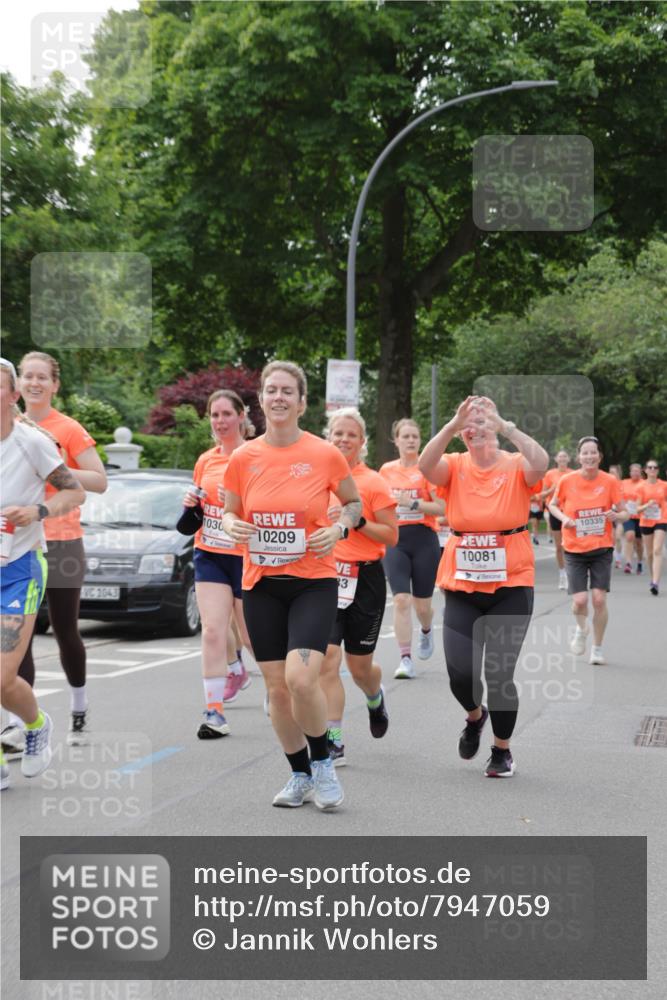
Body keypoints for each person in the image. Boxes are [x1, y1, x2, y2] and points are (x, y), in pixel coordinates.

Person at [221, 362, 362, 811]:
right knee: (277, 688)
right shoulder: (243, 458)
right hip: (261, 584)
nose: (278, 397)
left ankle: (322, 763)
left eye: (287, 391)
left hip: (312, 583)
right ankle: (299, 773)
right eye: (270, 390)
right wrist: (231, 525)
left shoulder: (324, 454)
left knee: (303, 679)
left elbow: (354, 504)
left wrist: (339, 527)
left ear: (302, 402)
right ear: (260, 401)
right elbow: (228, 511)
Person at [420, 396, 548, 778]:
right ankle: (475, 717)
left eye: (484, 420)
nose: (477, 428)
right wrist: (449, 425)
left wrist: (504, 425)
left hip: (512, 583)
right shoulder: (455, 466)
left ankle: (501, 750)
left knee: (499, 673)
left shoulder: (515, 465)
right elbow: (425, 465)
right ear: (462, 434)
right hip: (462, 584)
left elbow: (540, 461)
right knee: (460, 674)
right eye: (469, 424)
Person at [2, 352, 107, 757]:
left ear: (54, 385)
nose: (34, 383)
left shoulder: (65, 429)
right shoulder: (10, 424)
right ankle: (16, 725)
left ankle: (78, 706)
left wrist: (49, 464)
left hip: (60, 541)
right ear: (18, 387)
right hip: (13, 545)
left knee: (64, 629)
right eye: (27, 376)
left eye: (42, 377)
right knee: (18, 643)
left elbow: (98, 481)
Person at [319, 408, 398, 766]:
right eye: (338, 433)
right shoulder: (319, 479)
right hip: (326, 575)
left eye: (351, 435)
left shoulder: (374, 482)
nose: (343, 440)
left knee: (360, 668)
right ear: (328, 436)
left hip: (365, 578)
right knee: (328, 660)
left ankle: (374, 697)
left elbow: (391, 535)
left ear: (362, 442)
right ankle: (334, 739)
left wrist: (359, 520)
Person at [177, 389, 254, 739]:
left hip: (248, 555)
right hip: (209, 551)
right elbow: (196, 506)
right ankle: (214, 712)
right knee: (212, 631)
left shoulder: (256, 455)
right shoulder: (206, 460)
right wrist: (193, 502)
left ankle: (280, 692)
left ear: (241, 416)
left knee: (252, 637)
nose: (220, 421)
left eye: (226, 414)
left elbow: (271, 506)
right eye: (214, 415)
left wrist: (240, 502)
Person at [548, 437, 627, 664]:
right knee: (581, 600)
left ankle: (598, 649)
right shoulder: (566, 480)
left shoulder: (610, 481)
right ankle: (582, 630)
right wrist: (565, 519)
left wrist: (616, 515)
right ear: (579, 456)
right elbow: (552, 504)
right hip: (574, 548)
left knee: (599, 599)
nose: (589, 457)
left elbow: (625, 513)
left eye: (594, 453)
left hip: (601, 547)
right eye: (585, 453)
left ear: (600, 456)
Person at [379, 419, 444, 679]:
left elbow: (442, 508)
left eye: (415, 436)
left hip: (424, 539)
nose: (410, 441)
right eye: (405, 436)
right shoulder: (386, 470)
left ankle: (426, 631)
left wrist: (413, 504)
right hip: (395, 540)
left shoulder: (427, 469)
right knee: (401, 600)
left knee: (422, 606)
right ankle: (405, 659)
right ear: (396, 440)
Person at [538, 450, 573, 590]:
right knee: (559, 546)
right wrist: (552, 489)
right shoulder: (550, 474)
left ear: (569, 459)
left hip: (569, 511)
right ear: (556, 459)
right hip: (554, 511)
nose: (563, 458)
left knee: (570, 544)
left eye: (565, 456)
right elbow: (541, 495)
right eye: (560, 456)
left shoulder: (573, 474)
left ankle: (572, 574)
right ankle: (562, 574)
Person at [637, 460, 667, 596]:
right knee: (649, 554)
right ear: (646, 470)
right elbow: (636, 509)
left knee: (657, 550)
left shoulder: (664, 485)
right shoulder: (641, 487)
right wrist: (646, 505)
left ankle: (655, 582)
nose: (653, 469)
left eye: (655, 467)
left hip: (661, 519)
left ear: (658, 470)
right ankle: (653, 576)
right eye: (650, 467)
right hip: (645, 521)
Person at [620, 463, 645, 575]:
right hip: (628, 515)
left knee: (639, 542)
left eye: (637, 471)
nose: (635, 473)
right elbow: (619, 497)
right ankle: (629, 563)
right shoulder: (624, 483)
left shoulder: (645, 484)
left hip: (642, 516)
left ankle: (639, 561)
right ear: (629, 472)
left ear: (641, 472)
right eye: (633, 471)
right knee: (630, 536)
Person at [608, 464, 624, 568]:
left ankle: (618, 558)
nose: (611, 474)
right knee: (613, 538)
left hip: (620, 514)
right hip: (611, 513)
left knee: (618, 537)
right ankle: (616, 557)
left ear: (618, 474)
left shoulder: (623, 485)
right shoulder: (607, 484)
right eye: (610, 472)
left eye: (613, 472)